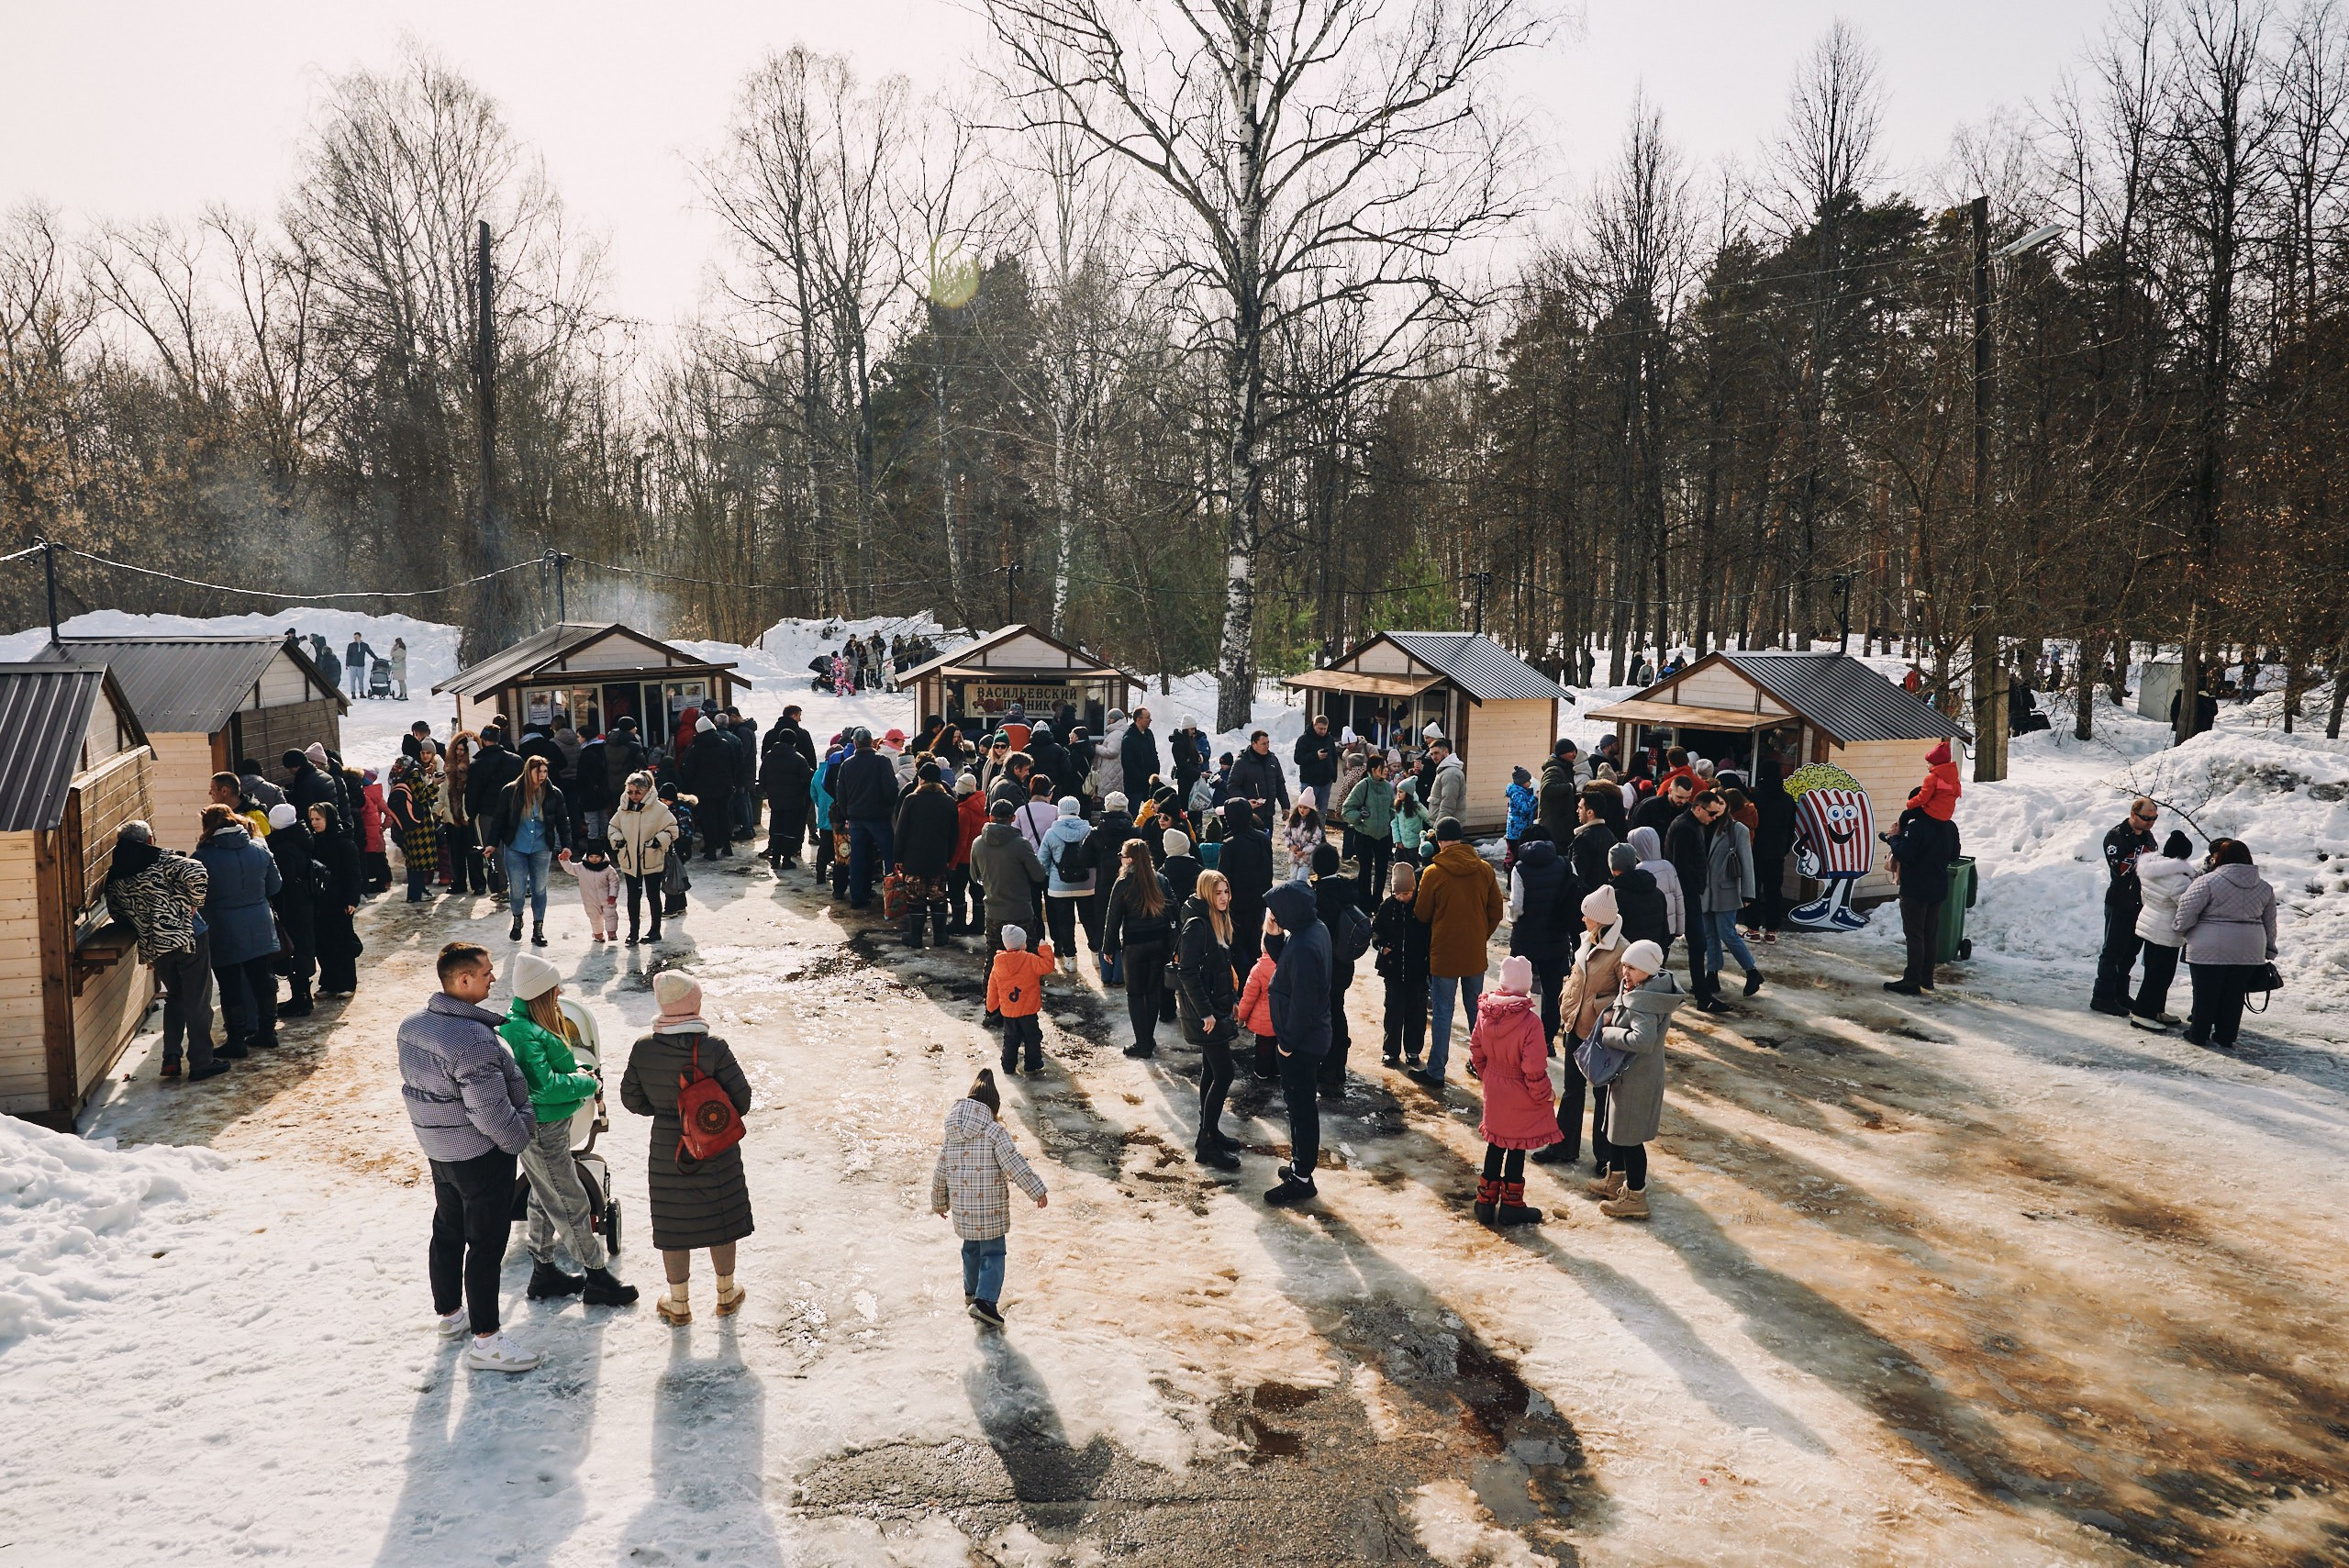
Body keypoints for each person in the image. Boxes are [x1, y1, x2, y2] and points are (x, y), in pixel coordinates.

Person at [397, 941, 540, 1372]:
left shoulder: (412, 1026)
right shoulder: (473, 1039)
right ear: (463, 980)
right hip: (480, 1155)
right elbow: (491, 1109)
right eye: (487, 972)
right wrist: (519, 1136)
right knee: (486, 1243)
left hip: (440, 1150)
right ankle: (487, 1340)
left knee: (447, 1228)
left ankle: (450, 1316)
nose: (493, 978)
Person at [498, 953, 637, 1307]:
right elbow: (544, 1086)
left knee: (543, 1196)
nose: (560, 991)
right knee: (569, 1200)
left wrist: (578, 1070)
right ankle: (597, 1276)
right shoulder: (521, 1031)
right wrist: (586, 1085)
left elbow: (559, 1062)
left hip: (548, 1124)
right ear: (539, 991)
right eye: (554, 986)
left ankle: (543, 1272)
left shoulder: (532, 1023)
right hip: (542, 1126)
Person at [620, 972, 754, 1326]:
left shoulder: (644, 1047)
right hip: (715, 1146)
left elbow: (631, 1099)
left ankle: (678, 1303)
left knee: (673, 1222)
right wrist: (701, 1115)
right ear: (695, 1004)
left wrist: (670, 1114)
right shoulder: (715, 1048)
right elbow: (742, 1100)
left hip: (668, 1148)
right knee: (720, 1216)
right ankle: (726, 1294)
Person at [106, 821, 225, 1082]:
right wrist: (194, 903)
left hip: (155, 946)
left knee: (176, 997)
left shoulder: (115, 874)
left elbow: (116, 913)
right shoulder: (160, 859)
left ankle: (171, 1056)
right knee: (197, 1000)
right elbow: (197, 871)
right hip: (188, 937)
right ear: (149, 840)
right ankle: (202, 1062)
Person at [931, 1068, 1049, 1329]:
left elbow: (940, 1169)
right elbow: (1013, 1163)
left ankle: (971, 1293)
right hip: (990, 1209)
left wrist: (939, 1201)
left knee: (971, 1250)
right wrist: (1036, 1189)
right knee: (993, 1253)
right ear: (992, 1108)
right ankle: (985, 1303)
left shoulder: (951, 1134)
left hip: (964, 1211)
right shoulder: (995, 1132)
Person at [1587, 939, 1686, 1218]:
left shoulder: (1645, 1001)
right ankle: (1615, 1180)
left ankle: (1636, 1196)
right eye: (1624, 965)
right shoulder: (1639, 987)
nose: (1625, 972)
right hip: (1627, 1073)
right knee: (1619, 1131)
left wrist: (1607, 1035)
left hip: (1637, 1076)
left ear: (1647, 970)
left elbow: (1643, 1041)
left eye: (1631, 967)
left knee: (1630, 1139)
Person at [1411, 817, 1501, 1090]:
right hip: (1474, 954)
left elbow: (1422, 913)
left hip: (1444, 954)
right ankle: (1480, 1063)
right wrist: (1478, 935)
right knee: (1476, 1012)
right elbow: (1496, 911)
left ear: (1439, 841)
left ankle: (1437, 1070)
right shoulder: (1484, 869)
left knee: (1442, 1013)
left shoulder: (1433, 873)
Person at [1470, 955, 1559, 1226]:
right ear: (1526, 987)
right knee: (1517, 1146)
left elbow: (1476, 1051)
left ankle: (1485, 1203)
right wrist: (1543, 1094)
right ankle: (1511, 1205)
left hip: (1495, 1089)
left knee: (1496, 1143)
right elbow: (1533, 1068)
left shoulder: (1485, 1013)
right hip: (1519, 1090)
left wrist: (1489, 1077)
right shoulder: (1530, 1022)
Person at [192, 804, 282, 1058]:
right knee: (263, 979)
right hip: (259, 923)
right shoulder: (259, 849)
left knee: (231, 985)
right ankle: (268, 1031)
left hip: (223, 927)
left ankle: (236, 1040)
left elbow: (197, 897)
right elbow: (275, 886)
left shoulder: (203, 857)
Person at [1263, 883, 1332, 1207]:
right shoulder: (1311, 930)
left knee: (1302, 1110)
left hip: (1302, 1041)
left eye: (1276, 910)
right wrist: (1274, 935)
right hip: (1307, 1035)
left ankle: (1302, 1179)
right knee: (1297, 1107)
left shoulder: (1305, 944)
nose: (1273, 914)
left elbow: (1302, 1001)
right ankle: (1299, 1168)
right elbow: (1285, 962)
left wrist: (1287, 1043)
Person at [2174, 840, 2278, 1050]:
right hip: (2250, 948)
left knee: (2205, 992)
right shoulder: (2264, 887)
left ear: (2219, 858)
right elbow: (2270, 920)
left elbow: (2187, 910)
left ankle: (2198, 1033)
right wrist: (2269, 948)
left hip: (2209, 945)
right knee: (2235, 994)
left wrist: (2180, 929)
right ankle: (2226, 1035)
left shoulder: (2208, 881)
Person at [1175, 870, 1242, 1168]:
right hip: (1205, 1014)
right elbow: (1187, 973)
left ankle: (1211, 1131)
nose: (1224, 898)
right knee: (1224, 1074)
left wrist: (1233, 1002)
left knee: (1212, 1071)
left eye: (1226, 891)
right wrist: (1206, 1013)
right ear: (1206, 894)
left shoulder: (1217, 922)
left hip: (1217, 1008)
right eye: (1218, 893)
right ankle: (1205, 1143)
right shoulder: (1197, 926)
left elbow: (1220, 971)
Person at [971, 799, 1049, 1021]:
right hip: (1020, 911)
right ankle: (1024, 1009)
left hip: (994, 911)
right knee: (1027, 960)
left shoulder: (978, 844)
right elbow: (1038, 875)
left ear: (990, 817)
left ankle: (992, 1009)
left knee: (993, 961)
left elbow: (974, 877)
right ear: (1013, 819)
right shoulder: (1021, 844)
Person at [484, 754, 571, 947]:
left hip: (541, 847)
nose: (542, 775)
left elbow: (563, 821)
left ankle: (538, 929)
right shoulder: (511, 791)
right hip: (516, 847)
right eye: (538, 771)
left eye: (545, 771)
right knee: (517, 889)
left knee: (539, 888)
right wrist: (491, 843)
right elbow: (499, 819)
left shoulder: (553, 793)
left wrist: (566, 845)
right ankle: (517, 919)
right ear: (528, 771)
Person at [1103, 839, 1177, 1058]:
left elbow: (1113, 917)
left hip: (1135, 945)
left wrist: (1108, 948)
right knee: (1152, 991)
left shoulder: (1124, 882)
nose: (1121, 859)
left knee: (1135, 994)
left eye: (1123, 855)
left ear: (1131, 859)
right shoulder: (1160, 880)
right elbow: (1174, 907)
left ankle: (1142, 1043)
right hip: (1159, 943)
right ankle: (1149, 1038)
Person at [1883, 795, 1962, 995]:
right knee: (1930, 934)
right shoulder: (1949, 826)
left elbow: (1905, 854)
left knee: (1915, 934)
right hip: (1938, 887)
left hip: (1915, 888)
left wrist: (1894, 839)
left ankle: (1911, 980)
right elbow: (1954, 855)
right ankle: (1927, 979)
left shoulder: (1916, 827)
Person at [2092, 798, 2161, 1016]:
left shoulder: (2148, 836)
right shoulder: (2116, 835)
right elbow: (2119, 870)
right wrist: (2142, 856)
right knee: (2113, 950)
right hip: (2120, 900)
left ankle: (2120, 992)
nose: (2150, 822)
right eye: (2146, 818)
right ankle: (2102, 996)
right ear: (2133, 814)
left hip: (2141, 901)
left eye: (2154, 818)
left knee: (2130, 951)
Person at [1507, 827, 1575, 1045]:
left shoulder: (1520, 869)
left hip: (1525, 939)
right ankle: (1547, 1039)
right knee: (1553, 989)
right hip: (1556, 937)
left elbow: (1517, 907)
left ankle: (1524, 1037)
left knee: (1520, 988)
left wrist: (1511, 918)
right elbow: (1573, 894)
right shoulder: (1565, 864)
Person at [1695, 789, 1764, 999]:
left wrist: (1748, 893)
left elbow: (1747, 862)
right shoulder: (1702, 825)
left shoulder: (1737, 829)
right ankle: (1712, 974)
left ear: (1727, 806)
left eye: (1721, 803)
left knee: (1727, 933)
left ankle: (1752, 971)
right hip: (1704, 890)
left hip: (1727, 890)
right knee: (1709, 934)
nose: (1717, 807)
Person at [1308, 841, 1362, 1099]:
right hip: (1343, 966)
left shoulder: (1318, 897)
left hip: (1322, 967)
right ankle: (1339, 1063)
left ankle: (1327, 1067)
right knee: (1338, 1011)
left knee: (1324, 1015)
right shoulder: (1347, 890)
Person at [892, 762, 963, 949]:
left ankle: (915, 937)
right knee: (938, 898)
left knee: (916, 899)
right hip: (939, 860)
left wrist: (898, 857)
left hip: (914, 860)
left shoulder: (911, 799)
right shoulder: (948, 801)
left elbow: (901, 832)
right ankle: (940, 936)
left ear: (921, 779)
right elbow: (954, 834)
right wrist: (948, 857)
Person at [2131, 831, 2197, 1029]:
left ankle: (2155, 1009)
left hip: (2149, 922)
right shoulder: (2180, 880)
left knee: (2153, 970)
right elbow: (2186, 906)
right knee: (2160, 974)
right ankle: (2143, 1014)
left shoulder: (2151, 869)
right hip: (2166, 930)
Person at [262, 802, 318, 1017]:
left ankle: (301, 998)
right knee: (302, 946)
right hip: (303, 902)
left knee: (294, 948)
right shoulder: (300, 837)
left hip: (291, 905)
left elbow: (281, 881)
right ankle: (302, 995)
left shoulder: (283, 847)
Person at [607, 771, 678, 947]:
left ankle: (655, 930)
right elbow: (612, 827)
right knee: (633, 896)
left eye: (637, 792)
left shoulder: (660, 809)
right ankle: (633, 932)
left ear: (647, 790)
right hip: (630, 860)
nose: (633, 796)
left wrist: (658, 841)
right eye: (630, 792)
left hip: (652, 859)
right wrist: (618, 841)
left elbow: (673, 829)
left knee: (653, 895)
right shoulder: (623, 808)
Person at [1372, 862, 1431, 1068]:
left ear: (1414, 890)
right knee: (1393, 1011)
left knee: (1416, 1012)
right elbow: (1376, 929)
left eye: (1406, 894)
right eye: (1399, 894)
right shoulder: (1388, 907)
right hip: (1393, 969)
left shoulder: (1421, 907)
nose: (1402, 898)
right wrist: (1380, 944)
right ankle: (1390, 1050)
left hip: (1417, 970)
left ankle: (1413, 1050)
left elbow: (1428, 934)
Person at [834, 728, 899, 908]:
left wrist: (848, 812)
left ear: (855, 743)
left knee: (858, 858)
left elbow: (841, 794)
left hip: (856, 817)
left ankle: (857, 896)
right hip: (879, 817)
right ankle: (893, 897)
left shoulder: (847, 764)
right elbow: (891, 789)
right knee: (889, 856)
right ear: (871, 742)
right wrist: (887, 808)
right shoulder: (882, 761)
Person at [1213, 796, 1275, 973]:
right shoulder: (1262, 838)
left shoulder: (1229, 845)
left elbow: (1222, 879)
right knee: (1255, 945)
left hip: (1236, 908)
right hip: (1259, 903)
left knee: (1236, 949)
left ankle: (1242, 988)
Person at [307, 804, 362, 996]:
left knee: (342, 942)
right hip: (320, 902)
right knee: (323, 944)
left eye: (318, 819)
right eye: (312, 819)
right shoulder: (313, 841)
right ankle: (329, 983)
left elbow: (353, 874)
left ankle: (347, 983)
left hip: (339, 901)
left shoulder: (344, 843)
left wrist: (352, 900)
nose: (314, 823)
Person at [986, 925, 1056, 1076]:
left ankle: (1008, 1065)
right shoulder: (1030, 959)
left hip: (1009, 1011)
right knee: (1032, 1037)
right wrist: (1044, 949)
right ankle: (1032, 1063)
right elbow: (1047, 966)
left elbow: (992, 986)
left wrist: (991, 1006)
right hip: (1028, 1010)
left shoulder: (998, 963)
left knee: (1010, 1039)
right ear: (1022, 943)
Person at [1340, 752, 1394, 913]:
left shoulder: (1386, 786)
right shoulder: (1363, 785)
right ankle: (1364, 904)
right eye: (1382, 767)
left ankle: (1377, 903)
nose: (1386, 770)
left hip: (1383, 835)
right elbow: (1346, 810)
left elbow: (1392, 807)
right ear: (1373, 769)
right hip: (1364, 835)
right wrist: (1360, 817)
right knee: (1365, 870)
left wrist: (1388, 817)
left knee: (1382, 870)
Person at [556, 843, 621, 942]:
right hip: (590, 899)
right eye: (591, 856)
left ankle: (612, 933)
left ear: (602, 856)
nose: (594, 859)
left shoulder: (608, 869)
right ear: (587, 856)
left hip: (607, 898)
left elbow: (614, 882)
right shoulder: (581, 867)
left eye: (597, 857)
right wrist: (564, 860)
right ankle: (598, 934)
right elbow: (570, 868)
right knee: (594, 917)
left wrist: (613, 895)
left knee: (610, 914)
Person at [1227, 729, 1290, 824]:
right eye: (1263, 744)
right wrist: (1245, 803)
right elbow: (1232, 786)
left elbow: (1280, 784)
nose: (1267, 746)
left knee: (1267, 838)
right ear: (1254, 743)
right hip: (1249, 815)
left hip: (1268, 815)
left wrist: (1285, 806)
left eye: (1268, 743)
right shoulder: (1242, 762)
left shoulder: (1273, 760)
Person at [1293, 713, 1339, 806]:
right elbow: (1298, 758)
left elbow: (1334, 757)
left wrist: (1333, 775)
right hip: (1309, 781)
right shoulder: (1304, 739)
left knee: (1321, 812)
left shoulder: (1329, 739)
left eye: (1325, 729)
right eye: (1320, 728)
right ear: (1314, 726)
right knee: (1307, 811)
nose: (1323, 731)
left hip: (1326, 781)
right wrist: (1315, 756)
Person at [1910, 740, 1962, 822]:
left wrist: (1910, 804)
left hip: (1932, 813)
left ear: (1935, 764)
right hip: (1947, 815)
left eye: (1928, 763)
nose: (1926, 765)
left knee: (1906, 814)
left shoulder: (1932, 778)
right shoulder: (1954, 778)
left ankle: (1897, 834)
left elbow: (1923, 798)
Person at [1389, 776, 1431, 870]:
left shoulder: (1417, 806)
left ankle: (1414, 882)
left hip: (1414, 842)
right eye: (1398, 792)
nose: (1398, 794)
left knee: (1413, 865)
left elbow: (1428, 818)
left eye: (1401, 792)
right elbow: (1394, 823)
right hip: (1401, 843)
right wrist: (1398, 840)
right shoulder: (1397, 806)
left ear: (1408, 793)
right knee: (1398, 865)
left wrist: (1436, 828)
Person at [1424, 740, 1467, 825]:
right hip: (1446, 825)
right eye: (1431, 754)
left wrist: (1438, 826)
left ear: (1446, 752)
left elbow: (1448, 804)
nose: (1434, 757)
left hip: (1447, 827)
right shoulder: (1445, 771)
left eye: (1436, 753)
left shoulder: (1450, 773)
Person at [1504, 766, 1538, 864]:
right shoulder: (1516, 794)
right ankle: (1511, 873)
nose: (1530, 783)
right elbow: (1525, 809)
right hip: (1516, 833)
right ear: (1521, 782)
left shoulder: (1523, 793)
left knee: (1521, 855)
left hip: (1521, 831)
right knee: (1514, 856)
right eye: (1528, 781)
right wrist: (1534, 798)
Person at [344, 630, 376, 701]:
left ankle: (361, 693)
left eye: (356, 637)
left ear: (360, 637)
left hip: (361, 665)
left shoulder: (364, 645)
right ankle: (353, 693)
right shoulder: (351, 645)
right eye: (354, 637)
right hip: (352, 665)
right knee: (352, 679)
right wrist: (347, 664)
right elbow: (348, 655)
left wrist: (376, 659)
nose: (355, 639)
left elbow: (370, 652)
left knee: (361, 680)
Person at [388, 637, 409, 701]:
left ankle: (404, 695)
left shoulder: (400, 650)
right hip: (401, 666)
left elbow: (391, 653)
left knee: (401, 681)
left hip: (400, 667)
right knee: (400, 681)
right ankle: (402, 694)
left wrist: (394, 647)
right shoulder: (403, 649)